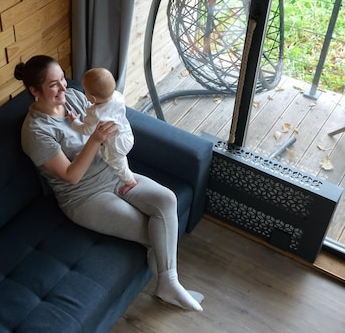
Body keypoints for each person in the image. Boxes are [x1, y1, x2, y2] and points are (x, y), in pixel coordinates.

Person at [14, 55, 203, 312]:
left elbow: (106, 113)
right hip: (85, 196)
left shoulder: (76, 98)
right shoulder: (36, 131)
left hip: (114, 174)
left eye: (62, 80)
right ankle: (168, 284)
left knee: (167, 199)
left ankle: (168, 283)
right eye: (53, 85)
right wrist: (95, 139)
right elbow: (71, 175)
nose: (63, 88)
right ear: (34, 91)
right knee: (153, 230)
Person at [68, 67, 137, 195]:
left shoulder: (95, 113)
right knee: (120, 158)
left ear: (93, 99)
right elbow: (106, 109)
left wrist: (75, 122)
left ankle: (129, 181)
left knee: (115, 162)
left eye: (85, 91)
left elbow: (87, 129)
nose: (84, 93)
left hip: (115, 144)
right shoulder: (117, 96)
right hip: (126, 135)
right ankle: (127, 171)